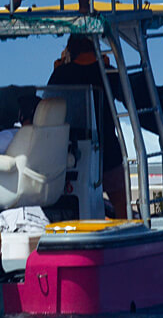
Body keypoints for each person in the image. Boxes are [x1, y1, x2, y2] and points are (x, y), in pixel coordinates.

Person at [47, 35, 127, 218]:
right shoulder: (108, 72)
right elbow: (127, 97)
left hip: (72, 151)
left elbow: (48, 104)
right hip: (108, 148)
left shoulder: (60, 74)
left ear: (70, 50)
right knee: (121, 205)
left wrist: (60, 66)